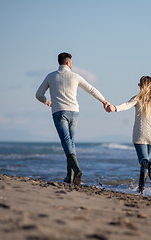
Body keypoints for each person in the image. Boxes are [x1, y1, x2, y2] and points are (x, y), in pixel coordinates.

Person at [36, 52, 110, 186]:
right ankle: (69, 176)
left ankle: (76, 170)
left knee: (66, 142)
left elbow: (38, 95)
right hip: (74, 112)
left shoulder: (50, 76)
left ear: (60, 62)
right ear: (68, 63)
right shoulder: (75, 76)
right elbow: (92, 89)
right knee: (70, 143)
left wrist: (48, 102)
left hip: (59, 112)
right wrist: (104, 101)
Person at [107, 76, 151, 193]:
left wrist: (114, 108)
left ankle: (145, 174)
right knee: (144, 162)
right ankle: (141, 189)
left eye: (139, 84)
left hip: (139, 135)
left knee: (143, 161)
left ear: (142, 86)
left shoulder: (137, 99)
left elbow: (126, 105)